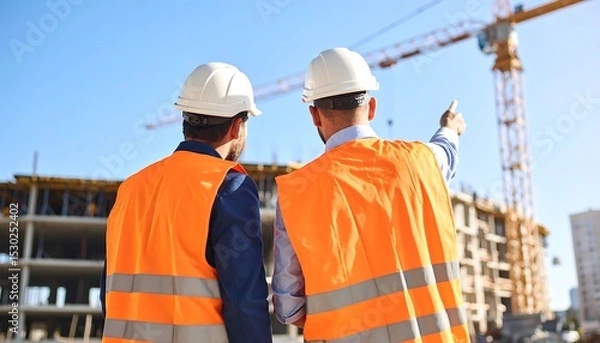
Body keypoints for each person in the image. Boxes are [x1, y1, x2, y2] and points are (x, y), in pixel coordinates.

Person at [272, 47, 470, 342]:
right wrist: (450, 128)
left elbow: (289, 309)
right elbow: (446, 153)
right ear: (372, 107)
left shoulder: (296, 192)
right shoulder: (421, 161)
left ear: (315, 115)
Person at [100, 62, 272, 343]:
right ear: (237, 126)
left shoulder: (131, 188)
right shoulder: (229, 186)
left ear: (185, 121)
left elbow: (108, 293)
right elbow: (244, 303)